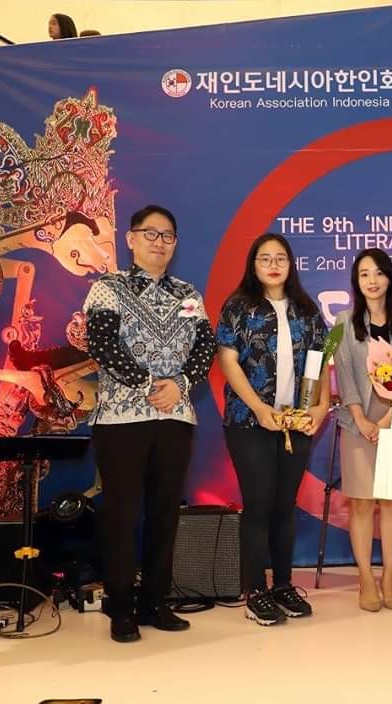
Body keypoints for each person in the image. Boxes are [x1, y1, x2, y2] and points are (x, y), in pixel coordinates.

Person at [83, 204, 216, 643]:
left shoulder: (188, 294)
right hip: (121, 419)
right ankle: (121, 606)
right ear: (131, 239)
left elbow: (205, 348)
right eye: (151, 233)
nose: (160, 242)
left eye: (168, 236)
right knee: (122, 514)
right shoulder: (108, 287)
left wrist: (179, 385)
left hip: (175, 416)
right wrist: (147, 384)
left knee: (165, 512)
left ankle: (156, 601)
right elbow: (102, 345)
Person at [216, 234, 330, 626]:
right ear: (253, 264)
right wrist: (259, 407)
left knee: (285, 505)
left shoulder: (306, 309)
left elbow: (319, 361)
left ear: (290, 264)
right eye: (265, 258)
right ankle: (255, 591)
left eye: (280, 258)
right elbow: (228, 361)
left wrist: (320, 406)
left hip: (294, 424)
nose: (273, 265)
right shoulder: (238, 305)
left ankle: (282, 585)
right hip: (249, 421)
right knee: (259, 503)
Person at [333, 249, 392, 612]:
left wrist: (389, 417)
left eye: (378, 273)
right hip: (356, 423)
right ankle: (365, 577)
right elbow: (343, 372)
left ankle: (389, 578)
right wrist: (361, 418)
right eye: (364, 274)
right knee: (362, 503)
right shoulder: (342, 323)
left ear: (390, 278)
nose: (372, 281)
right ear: (356, 281)